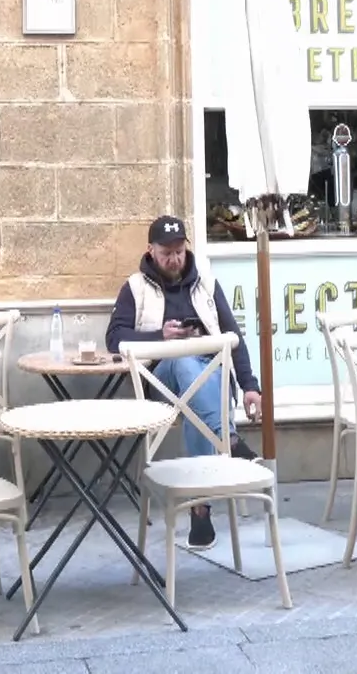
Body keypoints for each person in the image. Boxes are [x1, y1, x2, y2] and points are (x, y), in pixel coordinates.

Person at [105, 215, 263, 552]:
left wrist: (250, 385)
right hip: (161, 384)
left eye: (179, 251)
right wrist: (160, 336)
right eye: (166, 253)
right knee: (180, 358)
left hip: (211, 377)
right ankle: (230, 440)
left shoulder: (205, 282)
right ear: (151, 251)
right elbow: (114, 338)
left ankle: (200, 509)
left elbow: (233, 334)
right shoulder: (135, 288)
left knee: (196, 392)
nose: (174, 259)